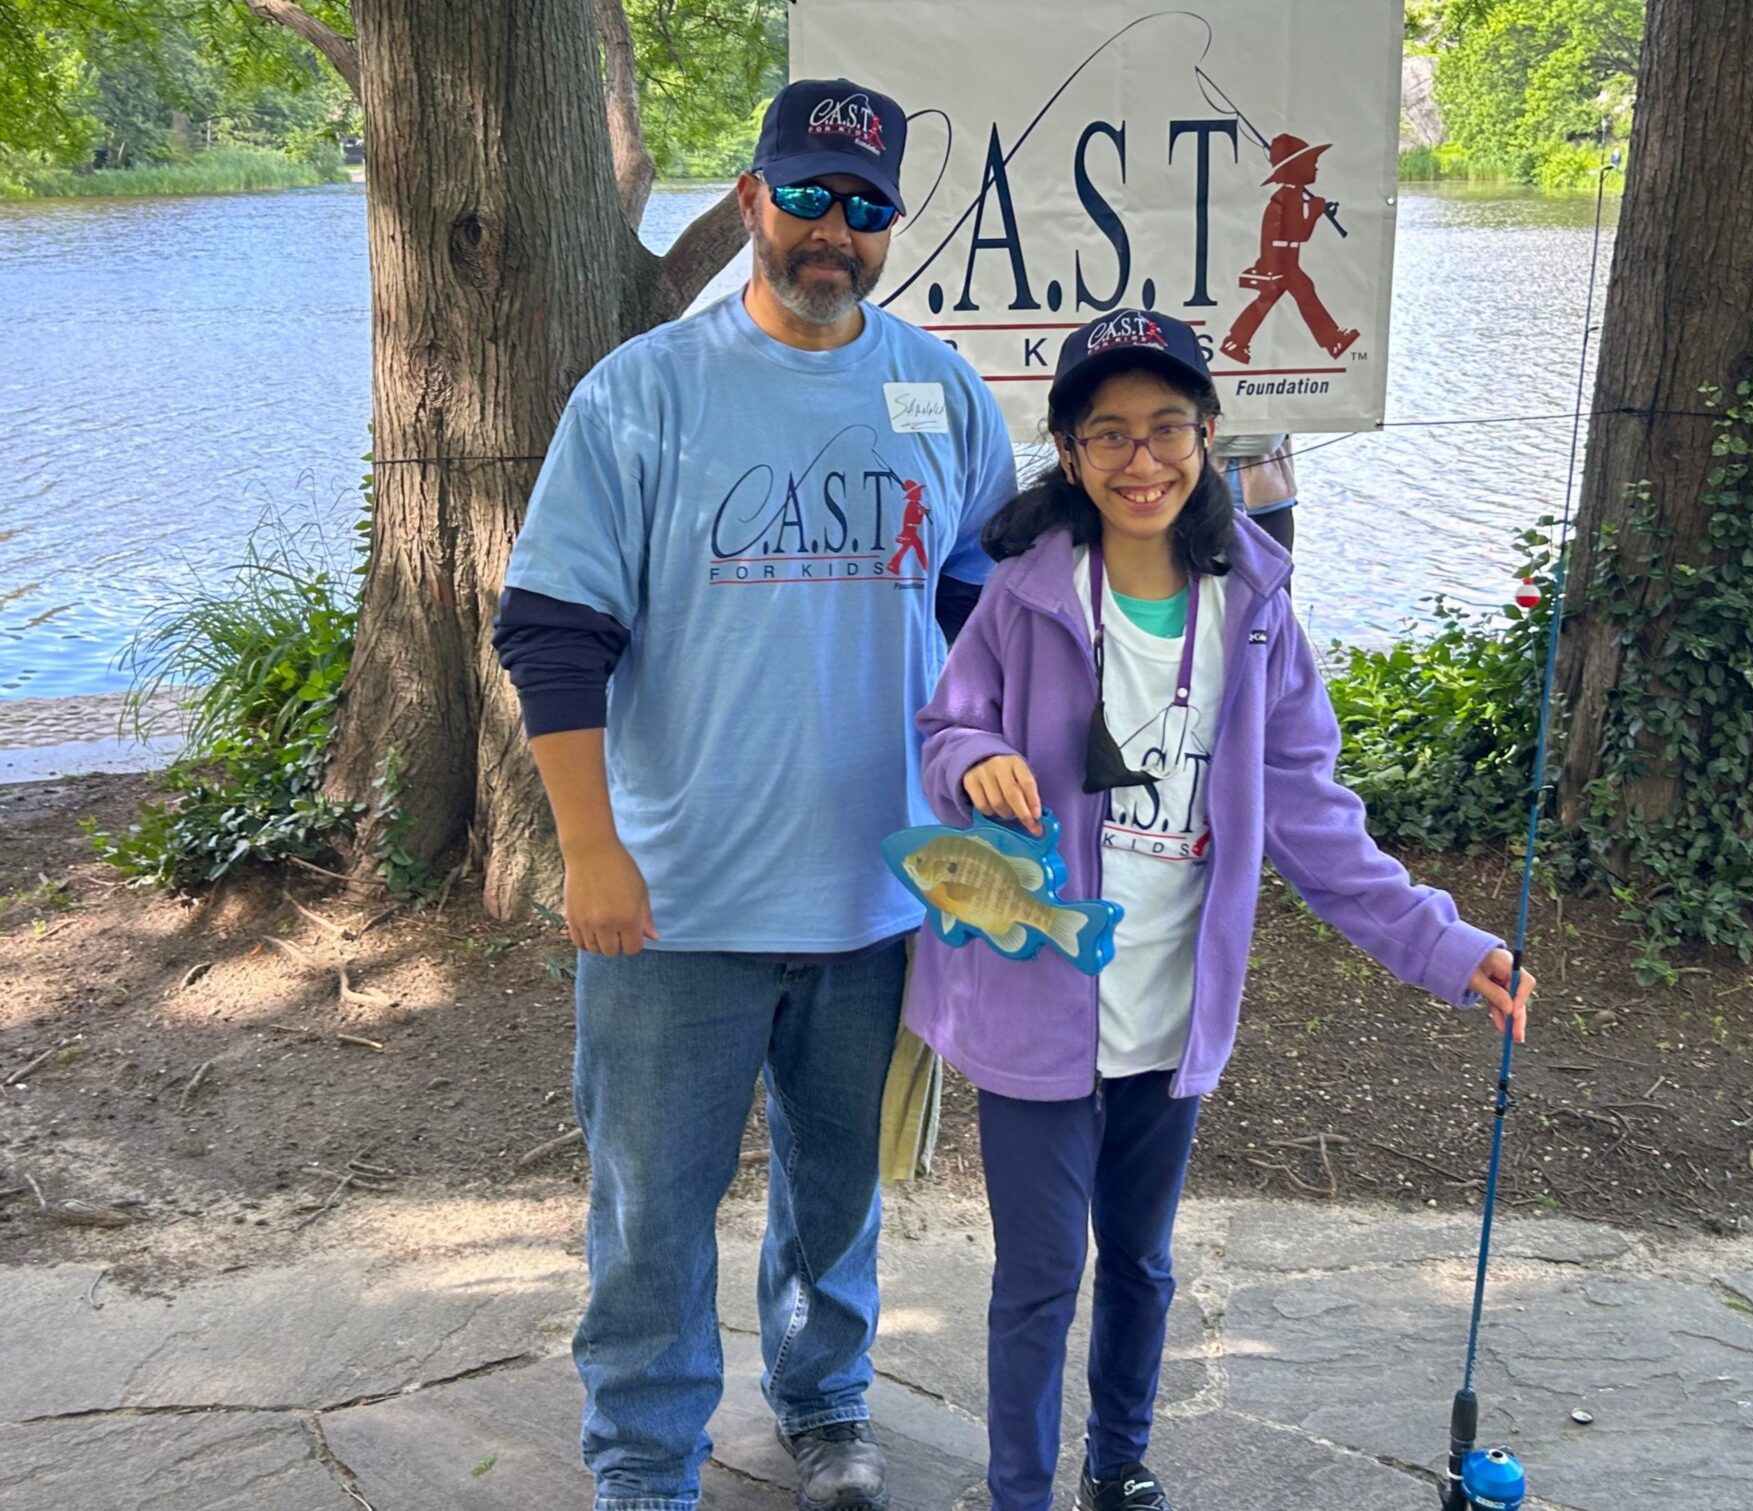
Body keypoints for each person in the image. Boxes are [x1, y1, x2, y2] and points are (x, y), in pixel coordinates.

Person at [902, 309, 1535, 1511]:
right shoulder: (1022, 593)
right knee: (1038, 1272)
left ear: (1205, 436)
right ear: (1069, 453)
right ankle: (1018, 1489)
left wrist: (1448, 947)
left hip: (1171, 1009)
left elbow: (1311, 817)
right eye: (1107, 435)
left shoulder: (1253, 605)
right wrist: (972, 758)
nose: (1140, 461)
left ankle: (1118, 1464)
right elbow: (947, 727)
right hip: (1034, 1002)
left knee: (1138, 1259)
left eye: (1165, 429)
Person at [492, 77, 1018, 1511]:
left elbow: (984, 601)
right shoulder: (645, 392)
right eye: (806, 198)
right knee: (653, 1207)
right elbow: (552, 629)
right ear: (750, 199)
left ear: (888, 226)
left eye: (862, 210)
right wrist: (588, 849)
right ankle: (646, 1460)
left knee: (836, 1186)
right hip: (678, 898)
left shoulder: (939, 389)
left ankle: (826, 1404)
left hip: (874, 889)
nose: (830, 232)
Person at [1219, 132, 1360, 366]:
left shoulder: (1291, 195)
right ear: (1296, 167)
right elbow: (1299, 233)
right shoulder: (1289, 197)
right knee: (1301, 294)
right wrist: (1314, 213)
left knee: (1279, 298)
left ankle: (1235, 342)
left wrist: (1316, 211)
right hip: (1280, 260)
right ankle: (1332, 340)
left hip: (1284, 260)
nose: (1316, 169)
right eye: (1311, 163)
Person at [1209, 431, 1297, 552]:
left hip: (1271, 504)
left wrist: (1210, 439)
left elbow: (1266, 443)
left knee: (1274, 569)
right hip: (1209, 504)